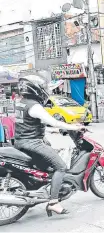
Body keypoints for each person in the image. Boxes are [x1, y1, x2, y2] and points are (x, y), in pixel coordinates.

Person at [14, 75, 83, 216]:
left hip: (21, 141)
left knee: (47, 166)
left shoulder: (21, 102)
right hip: (33, 143)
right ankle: (53, 202)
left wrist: (55, 130)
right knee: (61, 166)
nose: (45, 90)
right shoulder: (34, 106)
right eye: (43, 87)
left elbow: (30, 124)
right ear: (35, 89)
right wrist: (74, 127)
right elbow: (54, 122)